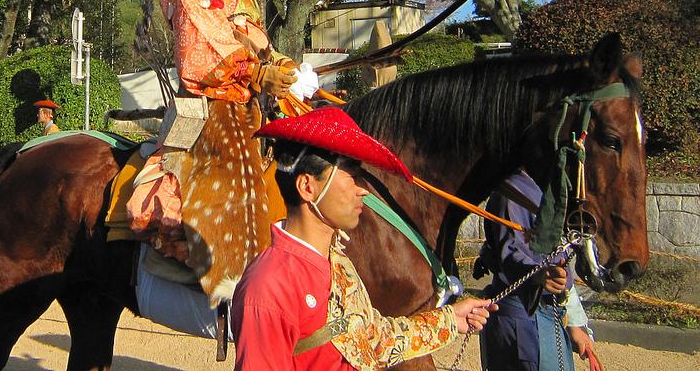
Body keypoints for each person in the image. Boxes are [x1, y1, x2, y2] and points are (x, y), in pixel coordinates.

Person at [132, 0, 300, 305]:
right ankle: (218, 273)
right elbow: (202, 48)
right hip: (207, 100)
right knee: (219, 179)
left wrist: (278, 62)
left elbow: (249, 31)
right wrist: (253, 71)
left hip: (247, 99)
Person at [232, 107, 497, 371]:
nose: (362, 191)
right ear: (307, 187)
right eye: (351, 175)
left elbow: (375, 340)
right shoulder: (268, 287)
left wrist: (451, 319)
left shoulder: (338, 264)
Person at [476, 169, 603, 371]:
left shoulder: (549, 188)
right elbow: (511, 255)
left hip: (547, 313)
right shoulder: (512, 192)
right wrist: (538, 274)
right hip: (521, 317)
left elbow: (559, 262)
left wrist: (575, 324)